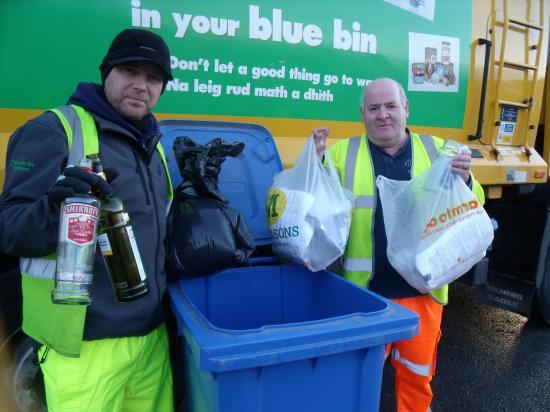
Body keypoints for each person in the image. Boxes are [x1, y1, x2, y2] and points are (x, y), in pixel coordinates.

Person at [0, 28, 175, 411]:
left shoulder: (152, 145)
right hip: (83, 351)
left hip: (151, 343)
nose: (141, 86)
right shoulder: (53, 131)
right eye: (130, 70)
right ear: (106, 72)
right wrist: (52, 209)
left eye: (154, 77)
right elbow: (10, 231)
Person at [313, 77, 485, 412]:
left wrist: (466, 180)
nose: (383, 115)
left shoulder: (439, 151)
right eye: (374, 108)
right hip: (365, 295)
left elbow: (472, 206)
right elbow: (319, 213)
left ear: (405, 108)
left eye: (391, 106)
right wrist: (313, 165)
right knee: (357, 383)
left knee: (416, 380)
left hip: (423, 294)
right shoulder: (340, 154)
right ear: (362, 113)